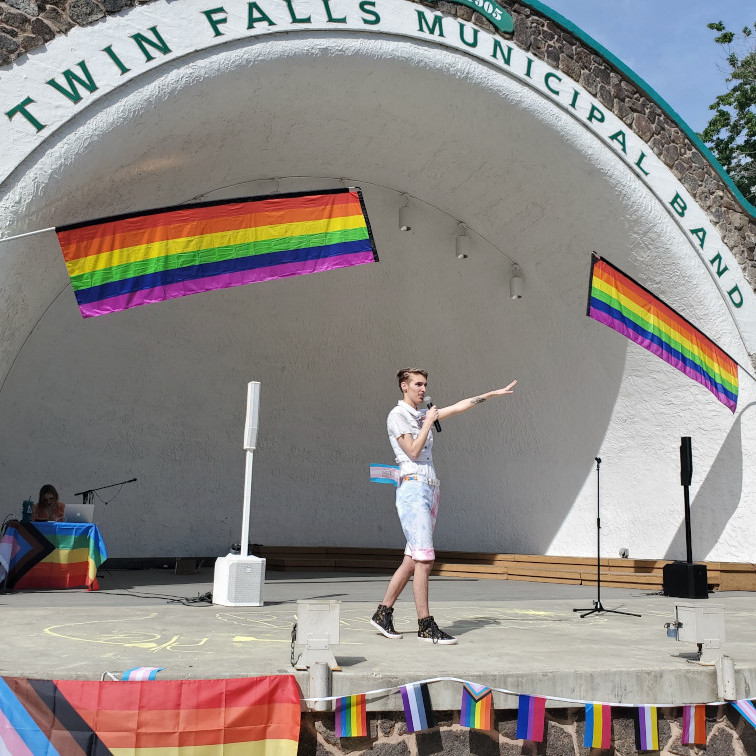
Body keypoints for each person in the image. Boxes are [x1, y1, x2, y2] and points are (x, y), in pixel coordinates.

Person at [371, 368, 517, 644]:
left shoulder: (421, 414)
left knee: (412, 559)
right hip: (413, 487)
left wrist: (490, 394)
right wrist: (428, 421)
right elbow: (412, 450)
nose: (423, 389)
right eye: (417, 384)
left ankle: (383, 613)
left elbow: (460, 407)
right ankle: (425, 625)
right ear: (404, 386)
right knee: (425, 559)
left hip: (429, 487)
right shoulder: (398, 415)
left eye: (425, 384)